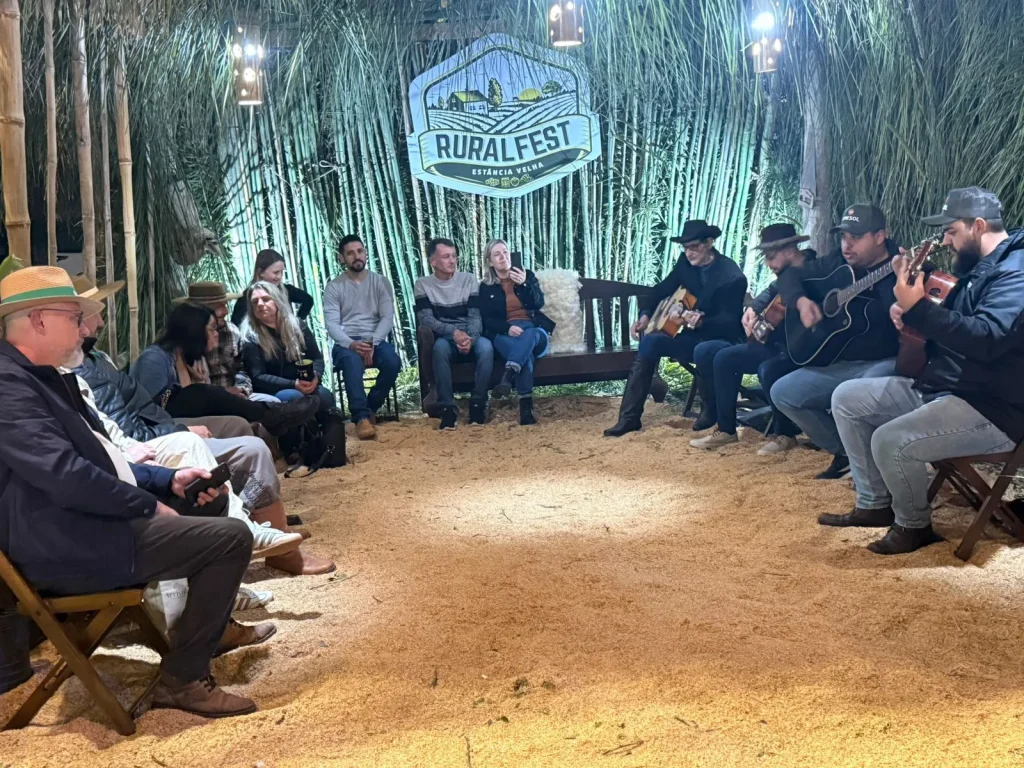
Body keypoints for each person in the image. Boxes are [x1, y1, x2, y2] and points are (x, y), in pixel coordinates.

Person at [0, 266, 259, 717]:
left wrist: (167, 481)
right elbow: (65, 475)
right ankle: (183, 679)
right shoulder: (9, 385)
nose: (85, 329)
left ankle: (206, 633)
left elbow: (101, 461)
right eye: (74, 317)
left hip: (87, 522)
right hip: (64, 543)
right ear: (38, 320)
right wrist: (148, 506)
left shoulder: (42, 376)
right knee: (231, 539)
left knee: (210, 498)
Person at [72, 279, 334, 575]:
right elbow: (153, 405)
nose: (220, 322)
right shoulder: (152, 358)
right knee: (225, 417)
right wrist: (182, 419)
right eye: (213, 321)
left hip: (166, 427)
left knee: (243, 432)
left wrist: (231, 389)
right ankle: (256, 522)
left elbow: (239, 372)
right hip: (159, 433)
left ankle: (277, 533)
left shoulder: (99, 360)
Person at [826, 188, 1024, 554]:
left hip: (992, 408)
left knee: (891, 439)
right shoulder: (981, 265)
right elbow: (956, 325)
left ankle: (914, 527)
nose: (946, 241)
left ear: (978, 226)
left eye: (951, 231)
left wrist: (918, 310)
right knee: (847, 398)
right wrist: (912, 317)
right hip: (948, 387)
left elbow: (987, 338)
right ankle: (874, 504)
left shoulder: (1016, 273)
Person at [769, 204, 901, 480]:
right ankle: (847, 455)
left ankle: (875, 466)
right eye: (843, 237)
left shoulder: (903, 266)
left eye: (856, 237)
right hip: (841, 364)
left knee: (856, 392)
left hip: (886, 363)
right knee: (784, 392)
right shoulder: (837, 262)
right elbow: (790, 276)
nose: (847, 245)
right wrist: (801, 302)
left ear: (879, 237)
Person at [605, 219, 748, 437]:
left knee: (704, 350)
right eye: (685, 248)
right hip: (693, 337)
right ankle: (629, 418)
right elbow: (661, 290)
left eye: (694, 247)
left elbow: (730, 322)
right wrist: (645, 316)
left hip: (723, 340)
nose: (688, 253)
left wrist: (701, 321)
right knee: (650, 341)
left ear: (709, 243)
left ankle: (709, 408)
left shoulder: (732, 276)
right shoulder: (685, 264)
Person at [689, 224, 812, 452]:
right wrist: (754, 308)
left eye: (770, 256)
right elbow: (770, 291)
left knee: (768, 369)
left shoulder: (815, 270)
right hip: (775, 343)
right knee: (724, 358)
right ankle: (726, 430)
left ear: (789, 249)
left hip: (803, 349)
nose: (768, 263)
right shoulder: (783, 275)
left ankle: (785, 434)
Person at [134, 300, 319, 433]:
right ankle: (271, 415)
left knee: (215, 397)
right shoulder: (154, 358)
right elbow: (149, 411)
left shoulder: (189, 356)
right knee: (205, 395)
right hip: (162, 426)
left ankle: (273, 416)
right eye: (212, 328)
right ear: (195, 330)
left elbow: (240, 370)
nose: (216, 333)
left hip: (220, 399)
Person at [324, 234, 401, 440]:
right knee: (352, 363)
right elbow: (332, 325)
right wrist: (352, 344)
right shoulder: (334, 287)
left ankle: (370, 408)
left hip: (375, 339)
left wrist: (371, 343)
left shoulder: (380, 282)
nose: (356, 256)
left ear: (365, 253)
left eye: (360, 251)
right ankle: (360, 417)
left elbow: (387, 317)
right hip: (346, 342)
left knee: (393, 362)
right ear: (342, 258)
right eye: (350, 253)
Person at [414, 237, 494, 430]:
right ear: (433, 261)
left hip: (470, 334)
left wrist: (470, 338)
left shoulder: (468, 279)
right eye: (446, 257)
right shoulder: (423, 284)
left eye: (454, 256)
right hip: (446, 337)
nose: (452, 261)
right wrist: (454, 332)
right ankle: (447, 407)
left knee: (486, 347)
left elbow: (475, 315)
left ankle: (478, 404)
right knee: (439, 349)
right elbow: (427, 320)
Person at [478, 239, 555, 426]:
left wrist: (524, 284)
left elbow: (538, 304)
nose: (503, 257)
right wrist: (507, 328)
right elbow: (486, 319)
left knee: (530, 336)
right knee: (524, 357)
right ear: (489, 261)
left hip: (534, 332)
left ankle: (508, 376)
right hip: (506, 334)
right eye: (497, 254)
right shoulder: (486, 287)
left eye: (505, 252)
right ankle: (526, 410)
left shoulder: (526, 275)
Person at [241, 282, 336, 412]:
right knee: (294, 397)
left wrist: (315, 376)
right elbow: (258, 376)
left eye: (266, 299)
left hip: (304, 383)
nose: (260, 304)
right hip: (273, 390)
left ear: (277, 301)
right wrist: (293, 385)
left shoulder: (297, 326)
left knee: (325, 396)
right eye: (255, 302)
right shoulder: (250, 336)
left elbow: (316, 358)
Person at [180, 281, 280, 404]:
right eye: (218, 307)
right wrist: (221, 393)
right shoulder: (183, 339)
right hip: (204, 400)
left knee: (273, 403)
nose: (226, 311)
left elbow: (242, 370)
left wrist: (241, 390)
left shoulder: (232, 331)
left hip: (236, 394)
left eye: (225, 305)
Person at [230, 248, 314, 328]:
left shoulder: (287, 290)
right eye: (276, 272)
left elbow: (308, 300)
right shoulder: (248, 296)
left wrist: (297, 322)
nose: (279, 276)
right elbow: (236, 324)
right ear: (261, 272)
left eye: (281, 272)